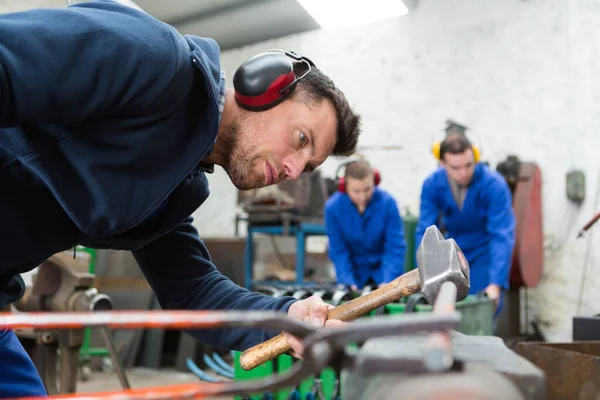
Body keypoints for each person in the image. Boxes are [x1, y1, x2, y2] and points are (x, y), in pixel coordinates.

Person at [0, 0, 361, 397]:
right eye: (301, 139)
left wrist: (286, 317)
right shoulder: (152, 58)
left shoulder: (174, 188)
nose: (294, 169)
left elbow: (192, 292)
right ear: (263, 85)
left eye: (308, 166)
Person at [415, 121, 515, 314]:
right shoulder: (432, 185)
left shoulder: (494, 185)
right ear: (442, 163)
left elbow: (502, 236)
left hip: (484, 254)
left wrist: (495, 284)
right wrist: (423, 276)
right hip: (452, 254)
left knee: (481, 313)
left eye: (468, 165)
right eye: (455, 167)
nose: (463, 173)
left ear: (475, 157)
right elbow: (425, 232)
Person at [324, 160, 406, 291]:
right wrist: (347, 282)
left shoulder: (388, 203)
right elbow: (338, 250)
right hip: (354, 278)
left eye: (367, 189)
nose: (362, 197)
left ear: (375, 181)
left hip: (383, 275)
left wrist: (388, 282)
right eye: (356, 191)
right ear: (344, 187)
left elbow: (394, 247)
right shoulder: (333, 208)